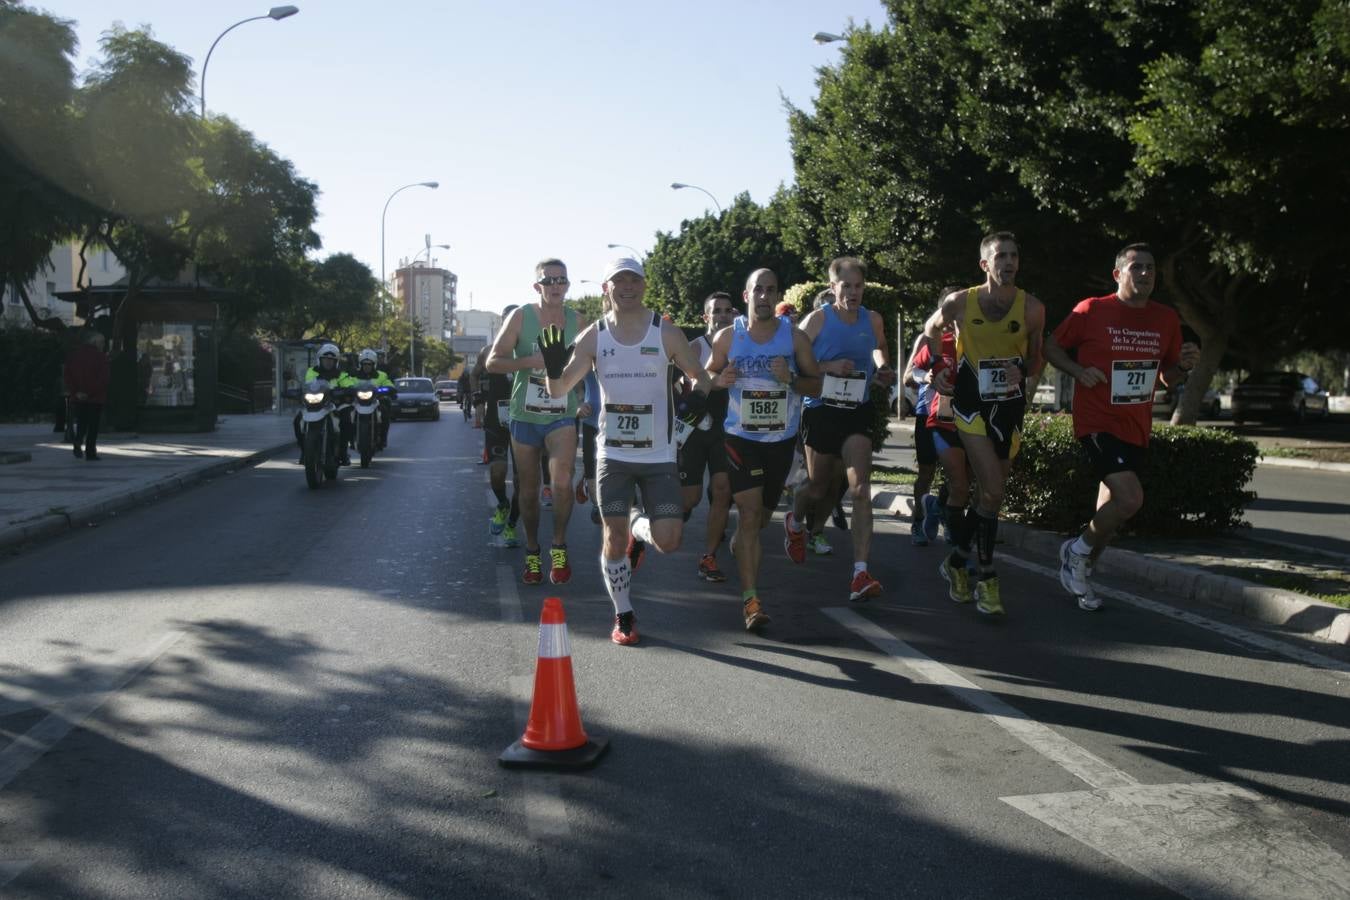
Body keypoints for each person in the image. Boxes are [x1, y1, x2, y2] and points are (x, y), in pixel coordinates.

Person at [540, 257, 713, 645]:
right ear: (607, 288)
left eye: (634, 280)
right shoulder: (594, 336)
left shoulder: (665, 332)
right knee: (612, 540)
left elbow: (700, 376)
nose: (627, 287)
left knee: (669, 540)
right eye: (619, 281)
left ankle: (639, 525)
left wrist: (696, 398)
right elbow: (557, 391)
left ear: (644, 285)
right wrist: (553, 369)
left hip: (659, 455)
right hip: (613, 456)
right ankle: (624, 614)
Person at [1043, 243, 1199, 610]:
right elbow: (1051, 347)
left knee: (1111, 511)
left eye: (1150, 268)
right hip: (1096, 421)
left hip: (1136, 424)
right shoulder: (1092, 309)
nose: (1145, 274)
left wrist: (1186, 367)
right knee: (1131, 498)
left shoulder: (1166, 318)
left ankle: (1081, 572)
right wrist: (1080, 371)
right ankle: (1076, 551)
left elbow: (1166, 378)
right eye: (1136, 268)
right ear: (1118, 274)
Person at [922, 231, 1045, 616]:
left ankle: (957, 560)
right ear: (985, 264)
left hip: (1008, 410)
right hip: (970, 408)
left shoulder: (1033, 308)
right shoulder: (961, 302)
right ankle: (988, 579)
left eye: (1013, 256)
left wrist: (1023, 370)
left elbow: (1038, 358)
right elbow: (930, 330)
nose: (1008, 262)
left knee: (991, 495)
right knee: (991, 487)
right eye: (1000, 256)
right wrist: (941, 367)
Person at [705, 269, 822, 631]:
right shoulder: (728, 337)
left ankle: (743, 545)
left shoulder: (795, 338)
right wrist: (719, 379)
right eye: (759, 289)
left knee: (757, 522)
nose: (765, 296)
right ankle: (751, 601)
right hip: (740, 439)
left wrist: (791, 379)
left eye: (772, 290)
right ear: (747, 295)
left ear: (777, 295)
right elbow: (706, 377)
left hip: (780, 442)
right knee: (750, 513)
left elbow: (816, 386)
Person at [789, 257, 896, 601]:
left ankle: (860, 573)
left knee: (860, 488)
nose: (852, 292)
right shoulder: (818, 319)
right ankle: (795, 520)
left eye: (858, 286)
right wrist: (826, 366)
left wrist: (882, 370)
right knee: (818, 486)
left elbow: (879, 349)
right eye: (845, 286)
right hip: (821, 408)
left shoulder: (873, 319)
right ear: (832, 287)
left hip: (856, 409)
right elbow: (794, 359)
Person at [485, 259, 580, 585]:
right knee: (528, 491)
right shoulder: (521, 316)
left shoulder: (578, 320)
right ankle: (532, 550)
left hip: (562, 413)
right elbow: (492, 362)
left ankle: (558, 546)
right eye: (548, 280)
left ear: (568, 285)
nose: (555, 285)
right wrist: (533, 361)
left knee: (562, 481)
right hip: (525, 416)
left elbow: (597, 360)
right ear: (536, 285)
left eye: (561, 280)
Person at [679, 291, 737, 583]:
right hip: (695, 430)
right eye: (716, 311)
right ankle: (673, 516)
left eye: (727, 310)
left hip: (727, 431)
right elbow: (682, 388)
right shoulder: (692, 348)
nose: (722, 315)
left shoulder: (741, 344)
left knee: (723, 490)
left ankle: (709, 556)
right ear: (706, 316)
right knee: (690, 498)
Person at [472, 305, 522, 547]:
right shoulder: (488, 351)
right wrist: (478, 401)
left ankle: (512, 525)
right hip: (496, 421)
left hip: (525, 421)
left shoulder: (527, 351)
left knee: (524, 483)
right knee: (498, 473)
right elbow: (474, 375)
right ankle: (502, 505)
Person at [294, 343, 356, 466]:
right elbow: (307, 384)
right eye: (325, 359)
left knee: (347, 420)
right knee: (297, 421)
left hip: (334, 405)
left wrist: (348, 390)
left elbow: (349, 384)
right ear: (320, 360)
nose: (328, 362)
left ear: (336, 362)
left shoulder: (341, 374)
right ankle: (304, 451)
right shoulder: (312, 372)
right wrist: (298, 392)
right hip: (315, 404)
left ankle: (343, 453)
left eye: (331, 360)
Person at [65, 329, 109, 461]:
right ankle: (90, 452)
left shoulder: (74, 355)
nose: (103, 345)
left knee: (82, 422)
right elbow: (103, 379)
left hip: (78, 397)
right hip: (95, 398)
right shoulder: (101, 357)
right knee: (93, 425)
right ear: (95, 342)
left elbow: (67, 376)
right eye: (102, 342)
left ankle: (78, 440)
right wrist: (89, 393)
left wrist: (76, 392)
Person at [354, 348, 396, 450]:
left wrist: (389, 389)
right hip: (357, 401)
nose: (367, 366)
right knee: (345, 415)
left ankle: (383, 438)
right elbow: (348, 384)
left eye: (369, 364)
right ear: (361, 364)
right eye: (365, 364)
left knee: (385, 411)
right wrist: (347, 389)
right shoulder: (354, 375)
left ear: (374, 364)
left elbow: (388, 383)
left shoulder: (381, 375)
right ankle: (349, 438)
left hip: (375, 401)